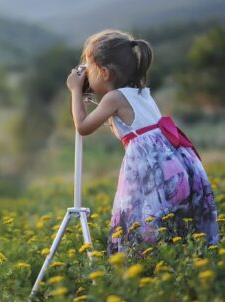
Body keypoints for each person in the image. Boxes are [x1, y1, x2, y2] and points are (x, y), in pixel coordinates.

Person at [66, 29, 219, 254]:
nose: (86, 74)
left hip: (152, 172)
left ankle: (143, 267)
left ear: (105, 72)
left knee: (141, 221)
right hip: (178, 166)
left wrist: (74, 91)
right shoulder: (141, 93)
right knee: (173, 225)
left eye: (89, 68)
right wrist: (86, 93)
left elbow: (83, 126)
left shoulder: (114, 98)